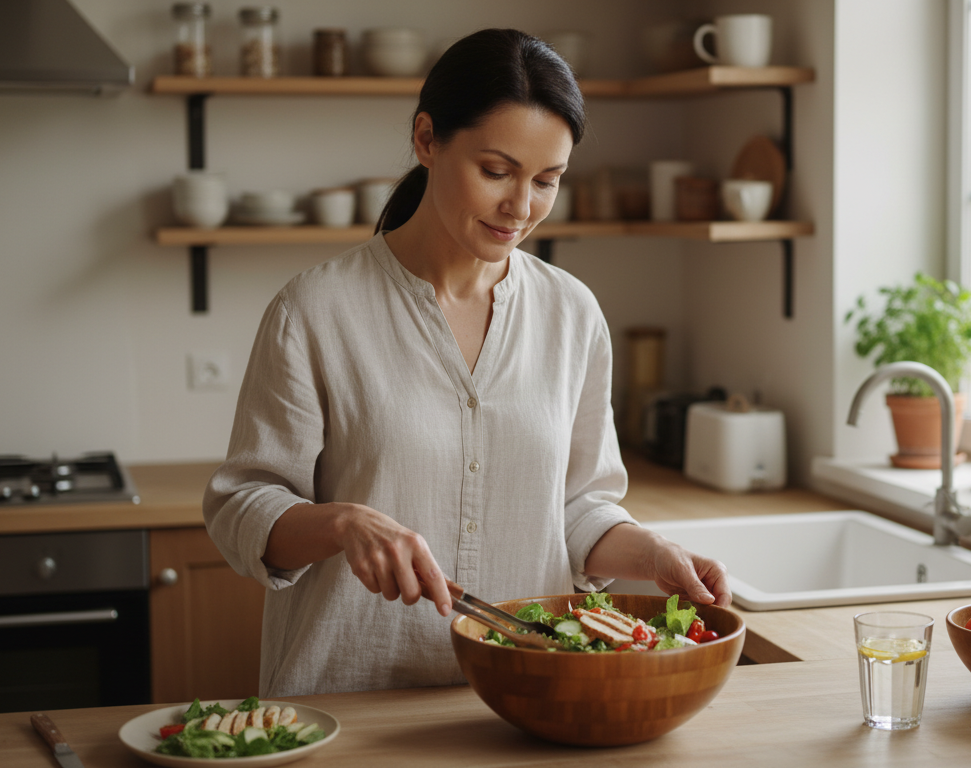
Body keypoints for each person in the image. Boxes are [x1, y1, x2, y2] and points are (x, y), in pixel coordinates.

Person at [203, 28, 730, 697]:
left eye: (547, 181)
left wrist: (650, 553)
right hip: (348, 700)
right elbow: (241, 507)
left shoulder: (571, 315)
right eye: (497, 171)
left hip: (521, 703)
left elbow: (577, 509)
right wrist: (343, 523)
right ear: (427, 140)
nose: (521, 207)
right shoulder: (315, 311)